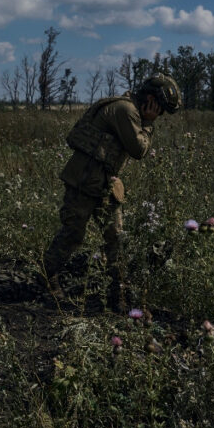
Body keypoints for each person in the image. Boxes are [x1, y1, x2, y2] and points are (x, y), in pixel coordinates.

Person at [41, 74, 181, 311]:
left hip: (105, 183)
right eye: (161, 110)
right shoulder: (125, 111)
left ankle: (118, 293)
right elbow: (139, 149)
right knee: (72, 234)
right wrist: (148, 124)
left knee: (116, 238)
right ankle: (47, 279)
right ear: (150, 99)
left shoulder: (129, 109)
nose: (160, 115)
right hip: (84, 181)